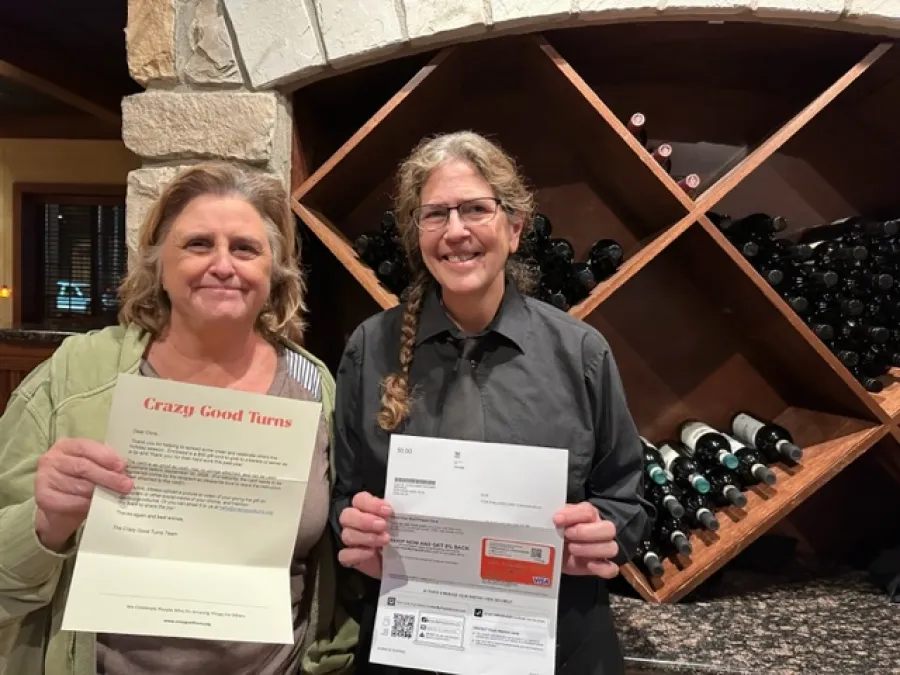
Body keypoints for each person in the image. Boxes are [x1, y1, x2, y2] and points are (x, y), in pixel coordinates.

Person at [0, 162, 356, 675]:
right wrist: (44, 522)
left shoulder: (313, 386)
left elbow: (330, 571)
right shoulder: (75, 377)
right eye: (197, 244)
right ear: (157, 263)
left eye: (245, 248)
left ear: (274, 272)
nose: (222, 264)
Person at [330, 131, 654, 675]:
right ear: (417, 234)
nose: (456, 231)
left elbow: (628, 503)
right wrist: (353, 528)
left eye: (476, 209)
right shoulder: (370, 347)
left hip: (553, 648)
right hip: (411, 650)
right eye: (436, 214)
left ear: (515, 225)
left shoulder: (581, 353)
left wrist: (605, 535)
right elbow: (345, 495)